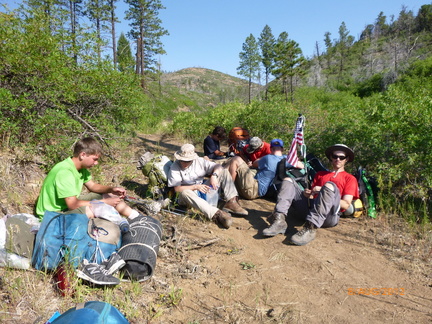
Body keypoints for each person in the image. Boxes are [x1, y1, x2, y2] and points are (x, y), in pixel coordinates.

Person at [262, 144, 359, 246]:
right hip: (309, 210)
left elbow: (346, 205)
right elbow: (312, 197)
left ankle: (310, 228)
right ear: (331, 157)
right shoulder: (320, 174)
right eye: (335, 156)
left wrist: (323, 190)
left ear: (346, 159)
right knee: (288, 180)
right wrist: (307, 194)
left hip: (329, 217)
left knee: (329, 186)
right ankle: (279, 220)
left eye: (341, 157)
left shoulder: (350, 178)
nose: (338, 159)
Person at [36, 137, 140, 221]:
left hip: (66, 208)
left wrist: (111, 189)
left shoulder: (80, 168)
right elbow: (72, 204)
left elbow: (93, 186)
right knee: (90, 210)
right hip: (52, 215)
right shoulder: (65, 172)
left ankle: (136, 218)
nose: (96, 163)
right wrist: (103, 203)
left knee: (109, 195)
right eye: (94, 159)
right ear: (83, 155)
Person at [167, 143, 248, 229]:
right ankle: (216, 214)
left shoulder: (199, 161)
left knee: (223, 171)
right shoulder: (174, 167)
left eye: (187, 161)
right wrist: (195, 187)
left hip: (201, 189)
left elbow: (218, 166)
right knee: (185, 193)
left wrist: (214, 176)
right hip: (187, 196)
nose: (184, 163)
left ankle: (232, 202)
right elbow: (177, 189)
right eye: (182, 160)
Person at [228, 139, 298, 200]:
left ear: (270, 149)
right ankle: (223, 187)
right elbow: (301, 165)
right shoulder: (288, 159)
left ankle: (229, 193)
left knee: (235, 160)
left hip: (253, 189)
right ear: (282, 149)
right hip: (256, 190)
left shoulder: (267, 158)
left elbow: (254, 164)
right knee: (231, 166)